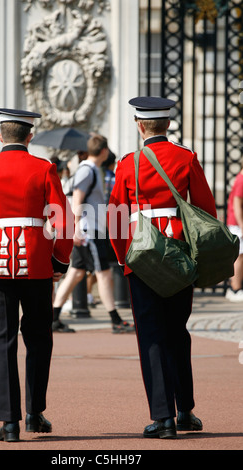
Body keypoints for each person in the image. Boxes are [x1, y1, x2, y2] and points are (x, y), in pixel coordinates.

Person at [0, 108, 74, 442]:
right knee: (38, 339)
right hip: (36, 264)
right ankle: (35, 413)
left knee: (3, 342)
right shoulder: (44, 168)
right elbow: (63, 219)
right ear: (30, 137)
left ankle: (9, 423)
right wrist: (60, 260)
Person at [108, 96, 217, 439]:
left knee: (151, 337)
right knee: (177, 333)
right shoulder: (186, 158)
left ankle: (163, 417)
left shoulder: (128, 163)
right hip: (180, 254)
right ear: (167, 124)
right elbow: (205, 209)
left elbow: (115, 218)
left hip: (142, 257)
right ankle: (185, 410)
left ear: (140, 125)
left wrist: (125, 257)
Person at [52, 134, 134, 334]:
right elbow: (78, 198)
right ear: (104, 151)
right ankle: (115, 320)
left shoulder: (89, 169)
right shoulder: (88, 170)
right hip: (89, 232)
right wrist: (77, 228)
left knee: (75, 273)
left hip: (89, 229)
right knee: (104, 274)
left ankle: (53, 318)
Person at [225, 163, 243, 301]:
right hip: (237, 225)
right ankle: (235, 289)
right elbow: (237, 204)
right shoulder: (241, 180)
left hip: (237, 224)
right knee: (239, 257)